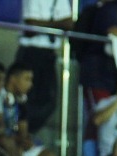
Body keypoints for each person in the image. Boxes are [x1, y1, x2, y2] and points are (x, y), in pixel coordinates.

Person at [14, 0, 73, 137]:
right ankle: (20, 133)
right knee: (25, 97)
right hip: (30, 52)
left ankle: (28, 133)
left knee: (49, 101)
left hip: (48, 54)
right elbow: (31, 26)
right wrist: (56, 24)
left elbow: (69, 24)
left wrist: (42, 25)